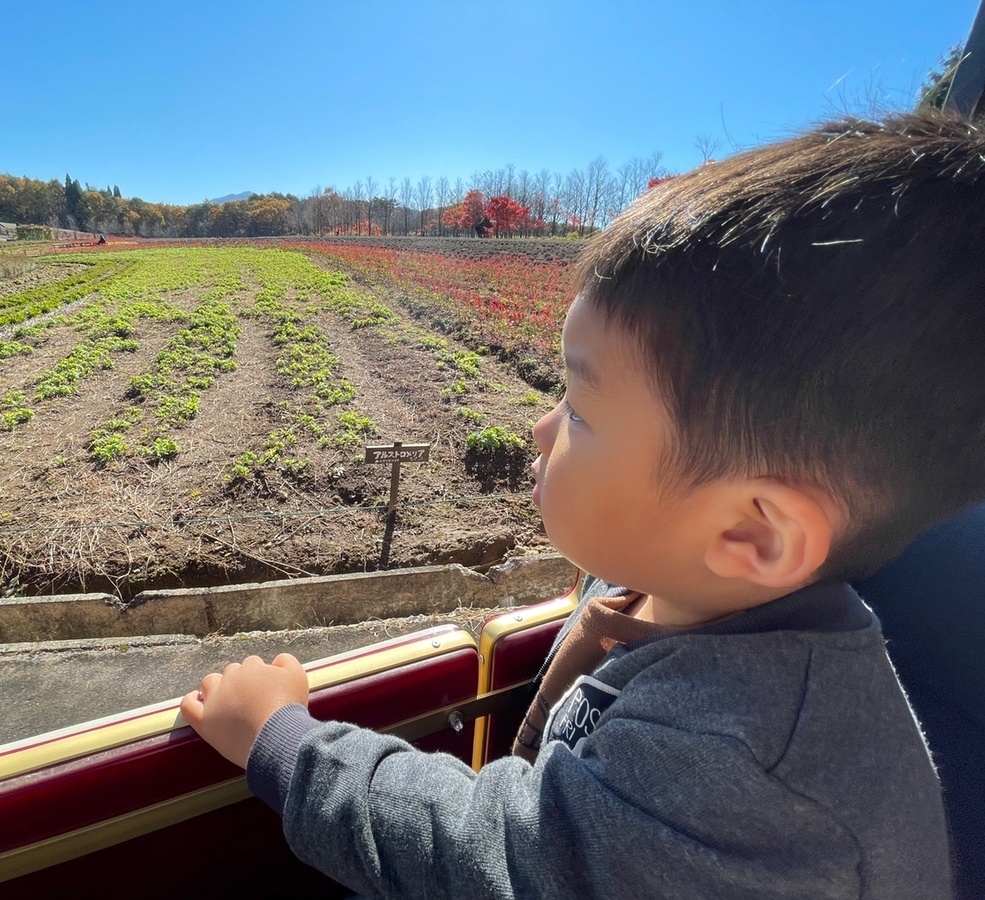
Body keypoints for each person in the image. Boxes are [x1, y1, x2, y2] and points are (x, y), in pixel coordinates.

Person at [181, 112, 985, 899]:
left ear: (751, 531)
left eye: (579, 408)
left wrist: (282, 741)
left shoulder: (754, 780)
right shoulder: (670, 587)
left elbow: (491, 858)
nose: (538, 429)